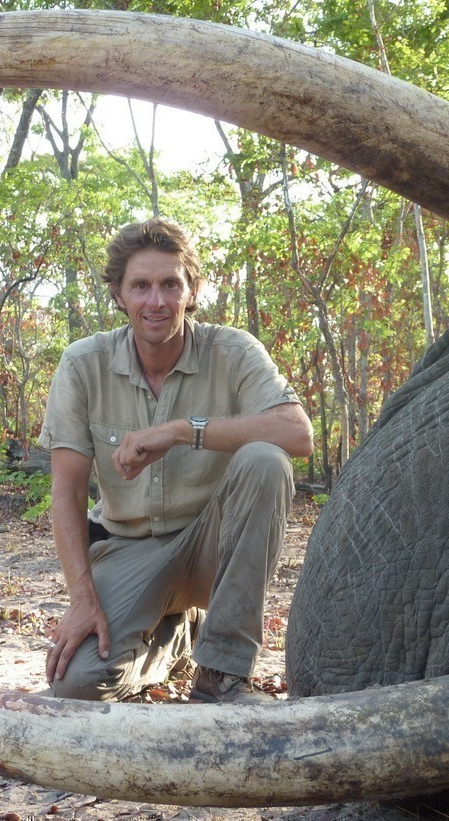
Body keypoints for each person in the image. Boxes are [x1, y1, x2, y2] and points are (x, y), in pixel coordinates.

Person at [38, 217, 314, 703]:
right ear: (119, 295)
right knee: (75, 685)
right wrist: (82, 600)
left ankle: (221, 673)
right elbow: (67, 491)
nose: (156, 301)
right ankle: (174, 637)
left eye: (170, 284)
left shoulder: (233, 351)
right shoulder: (83, 364)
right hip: (127, 548)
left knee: (267, 460)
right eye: (140, 286)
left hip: (215, 547)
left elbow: (297, 433)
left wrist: (183, 431)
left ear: (192, 290)